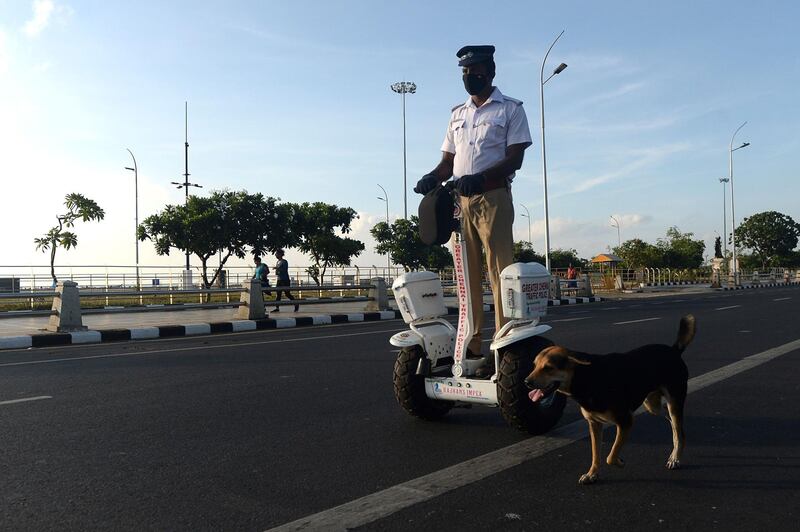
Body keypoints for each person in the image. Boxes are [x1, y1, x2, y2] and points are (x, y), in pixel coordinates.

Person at [414, 45, 532, 374]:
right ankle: (473, 345)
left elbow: (515, 158)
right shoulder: (457, 114)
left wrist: (481, 177)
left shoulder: (509, 109)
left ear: (490, 72)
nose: (469, 77)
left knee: (499, 273)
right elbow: (448, 163)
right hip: (460, 201)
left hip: (492, 198)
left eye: (475, 71)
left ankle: (504, 345)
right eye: (465, 72)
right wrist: (431, 177)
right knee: (467, 277)